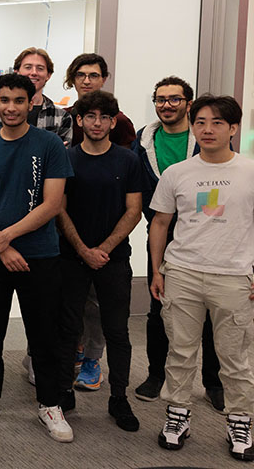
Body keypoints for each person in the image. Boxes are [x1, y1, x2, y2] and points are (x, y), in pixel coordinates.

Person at [0, 73, 74, 442]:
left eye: (18, 101)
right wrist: (0, 245)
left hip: (39, 253)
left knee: (44, 330)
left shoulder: (50, 144)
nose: (10, 107)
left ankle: (50, 403)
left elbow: (53, 203)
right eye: (4, 100)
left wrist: (8, 237)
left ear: (30, 102)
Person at [149, 95, 254, 461]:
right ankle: (177, 415)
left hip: (234, 276)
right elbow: (160, 223)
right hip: (183, 274)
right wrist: (158, 269)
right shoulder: (177, 173)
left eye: (217, 123)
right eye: (201, 123)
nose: (207, 129)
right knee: (180, 351)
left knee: (236, 356)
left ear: (233, 128)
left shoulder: (250, 171)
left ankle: (240, 421)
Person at [133, 76, 223, 409]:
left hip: (205, 234)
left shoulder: (203, 139)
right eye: (160, 99)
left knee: (211, 311)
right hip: (159, 229)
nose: (166, 105)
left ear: (188, 102)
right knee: (159, 306)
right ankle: (156, 374)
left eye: (174, 99)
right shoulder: (143, 140)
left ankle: (213, 382)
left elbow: (216, 184)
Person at [55, 91, 143, 432]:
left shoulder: (127, 161)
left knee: (117, 331)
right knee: (67, 328)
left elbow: (133, 210)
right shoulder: (67, 159)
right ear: (79, 120)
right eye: (89, 116)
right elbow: (59, 207)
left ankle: (119, 397)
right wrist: (82, 250)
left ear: (112, 121)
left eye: (104, 117)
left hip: (114, 258)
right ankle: (63, 392)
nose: (96, 123)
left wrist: (102, 249)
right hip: (71, 256)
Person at [63, 53, 136, 147]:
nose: (86, 81)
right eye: (80, 75)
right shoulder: (64, 117)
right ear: (73, 79)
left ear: (103, 80)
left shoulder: (119, 121)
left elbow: (129, 158)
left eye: (93, 76)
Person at [13, 47, 73, 145]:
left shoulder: (62, 117)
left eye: (40, 69)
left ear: (48, 75)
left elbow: (62, 156)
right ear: (17, 71)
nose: (33, 73)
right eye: (28, 67)